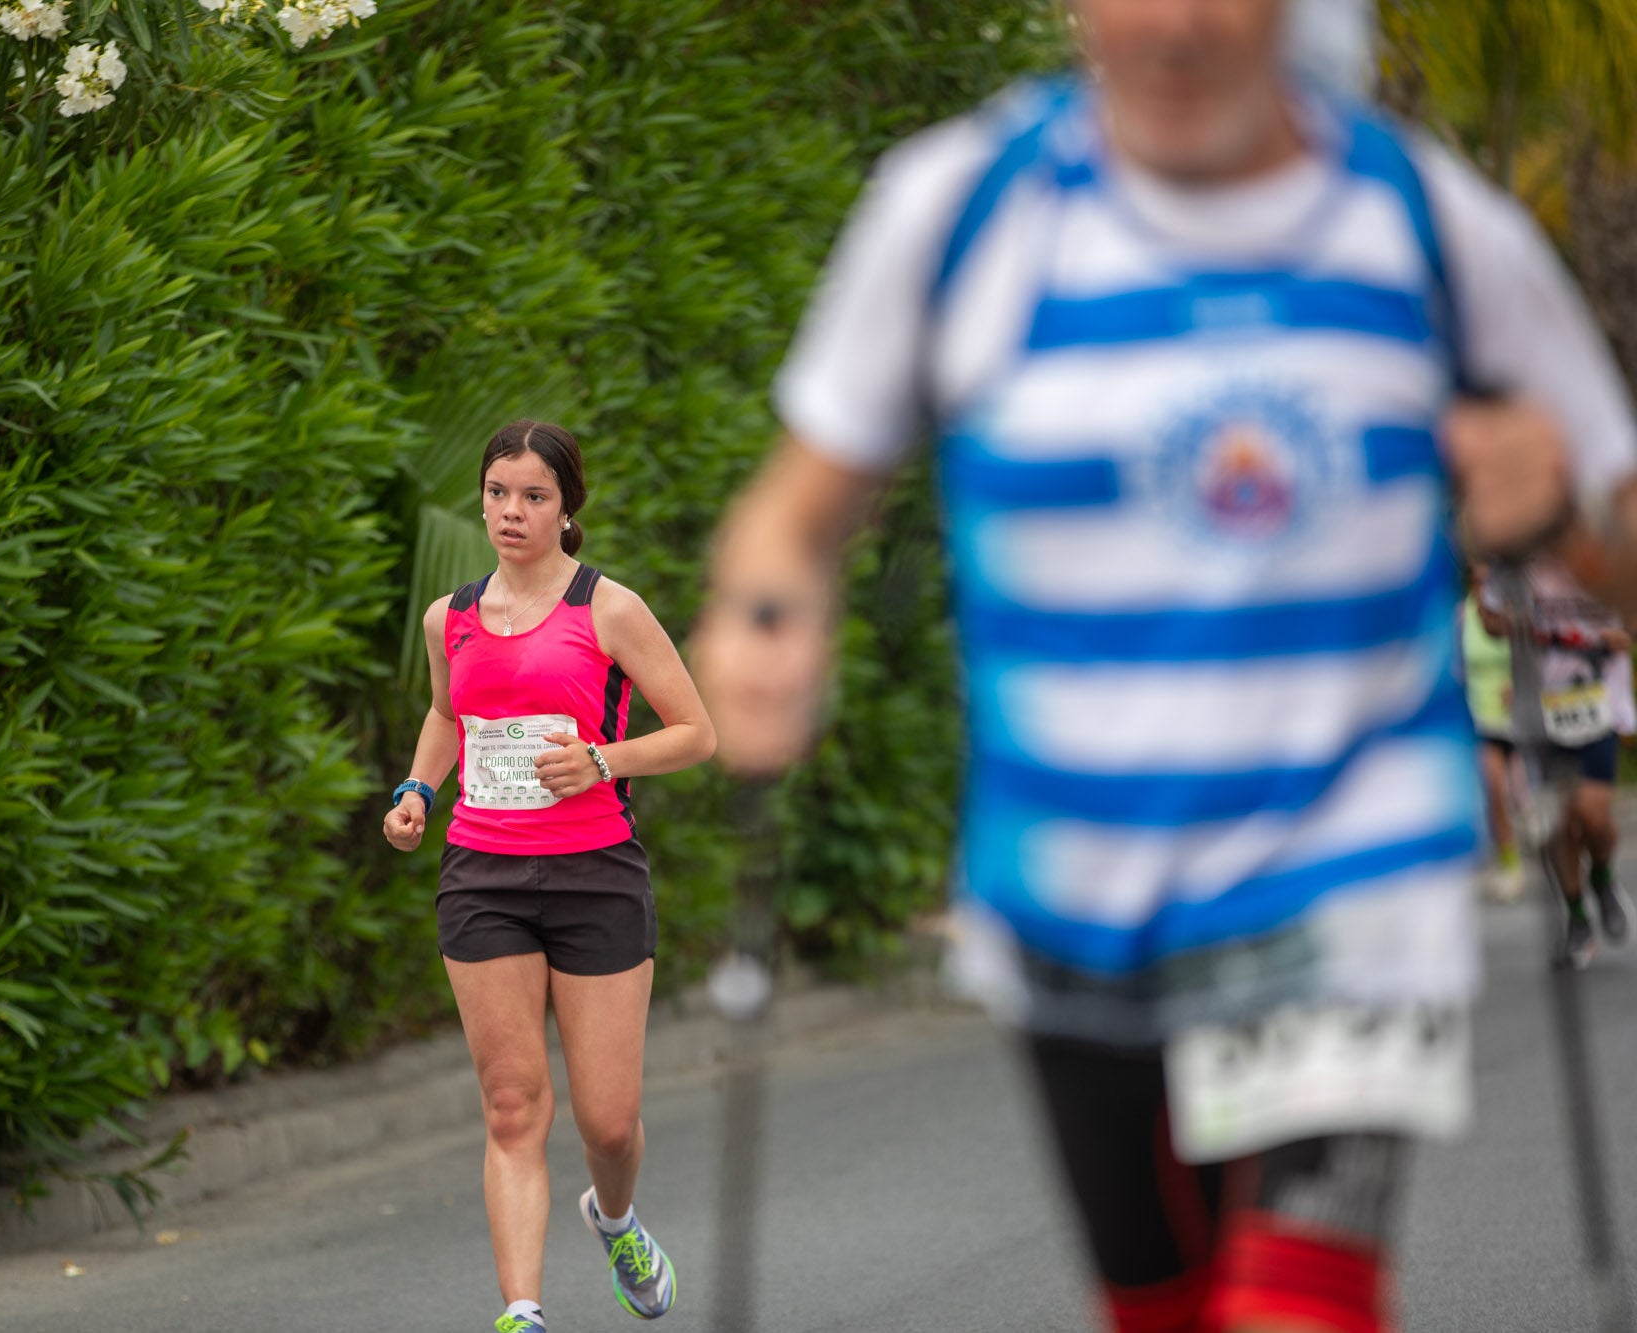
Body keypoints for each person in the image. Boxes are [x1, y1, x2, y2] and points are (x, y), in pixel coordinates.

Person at [695, 2, 1637, 1330]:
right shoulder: (964, 211)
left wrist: (1564, 522)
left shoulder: (1432, 229)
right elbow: (789, 517)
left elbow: (1620, 544)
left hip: (1347, 873)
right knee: (1167, 1311)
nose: (1179, 23)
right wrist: (762, 620)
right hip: (1075, 891)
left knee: (1294, 1311)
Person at [384, 420, 714, 1333]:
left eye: (534, 496)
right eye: (498, 493)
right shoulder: (446, 616)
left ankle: (615, 1220)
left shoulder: (609, 608)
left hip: (596, 875)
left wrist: (605, 761)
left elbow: (696, 731)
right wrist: (418, 787)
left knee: (608, 1123)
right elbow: (450, 717)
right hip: (481, 875)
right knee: (511, 1102)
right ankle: (523, 1312)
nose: (512, 512)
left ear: (567, 507)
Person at [1479, 558, 1634, 967]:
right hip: (1539, 711)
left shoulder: (1600, 543)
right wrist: (1517, 622)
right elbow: (1489, 619)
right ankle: (1577, 917)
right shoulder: (1515, 563)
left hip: (1599, 704)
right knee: (1556, 823)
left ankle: (1601, 877)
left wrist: (1622, 634)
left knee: (1593, 813)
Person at [1460, 563, 1524, 901]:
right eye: (1480, 579)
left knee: (1522, 794)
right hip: (1482, 714)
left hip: (1521, 712)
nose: (1485, 585)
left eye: (1491, 579)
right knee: (1493, 788)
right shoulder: (1462, 616)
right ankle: (1510, 864)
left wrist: (1519, 685)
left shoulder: (1513, 612)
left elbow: (1535, 657)